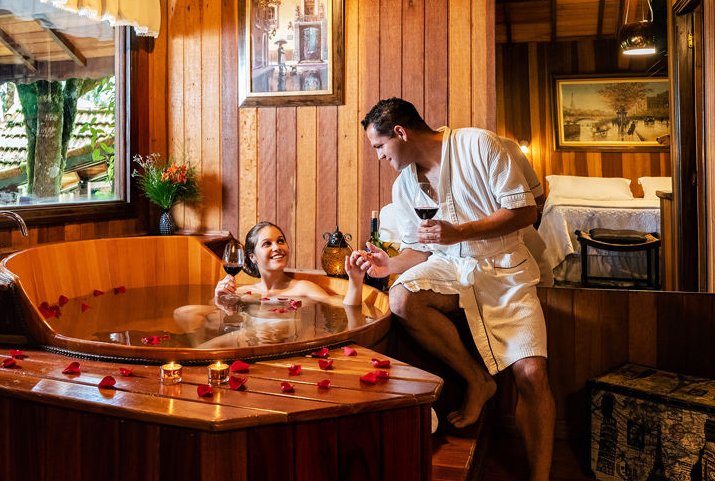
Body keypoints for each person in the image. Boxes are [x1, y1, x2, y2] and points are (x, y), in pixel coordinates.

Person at [353, 98, 555, 481]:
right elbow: (420, 249)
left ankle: (540, 478)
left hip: (503, 269)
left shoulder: (479, 145)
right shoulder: (405, 186)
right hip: (449, 266)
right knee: (401, 297)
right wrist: (389, 266)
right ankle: (478, 381)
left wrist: (459, 231)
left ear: (400, 132)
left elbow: (526, 211)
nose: (378, 156)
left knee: (532, 375)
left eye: (379, 146)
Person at [174, 222, 365, 347]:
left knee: (272, 326)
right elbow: (215, 313)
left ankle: (202, 356)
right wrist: (220, 300)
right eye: (267, 244)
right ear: (252, 257)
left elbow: (347, 309)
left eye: (280, 241)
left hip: (277, 339)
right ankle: (204, 354)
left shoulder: (302, 288)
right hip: (247, 340)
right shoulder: (244, 291)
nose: (277, 247)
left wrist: (355, 281)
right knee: (184, 312)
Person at [497, 136, 554, 287]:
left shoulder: (448, 155)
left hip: (489, 251)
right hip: (524, 239)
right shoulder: (507, 144)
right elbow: (539, 198)